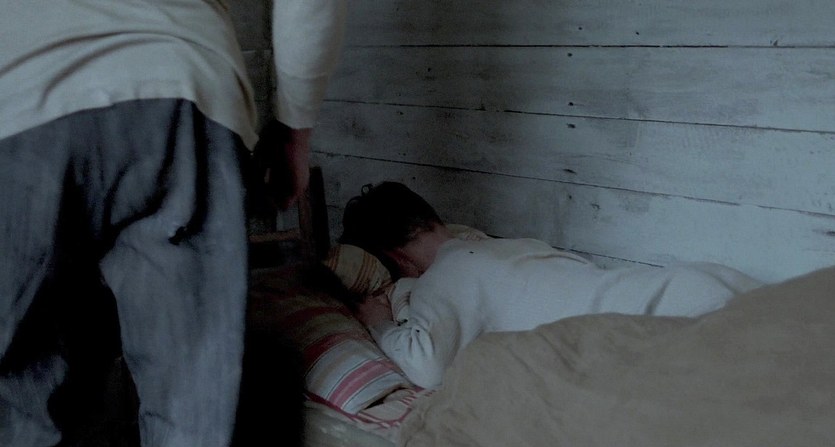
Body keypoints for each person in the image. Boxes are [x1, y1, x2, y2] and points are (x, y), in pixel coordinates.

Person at [0, 1, 347, 446]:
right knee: (193, 403)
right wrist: (296, 126)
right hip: (179, 82)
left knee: (17, 404)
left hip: (18, 97)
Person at [339, 182, 764, 389]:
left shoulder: (443, 278)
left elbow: (426, 367)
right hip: (693, 283)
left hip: (666, 322)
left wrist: (379, 323)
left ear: (395, 258)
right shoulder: (514, 246)